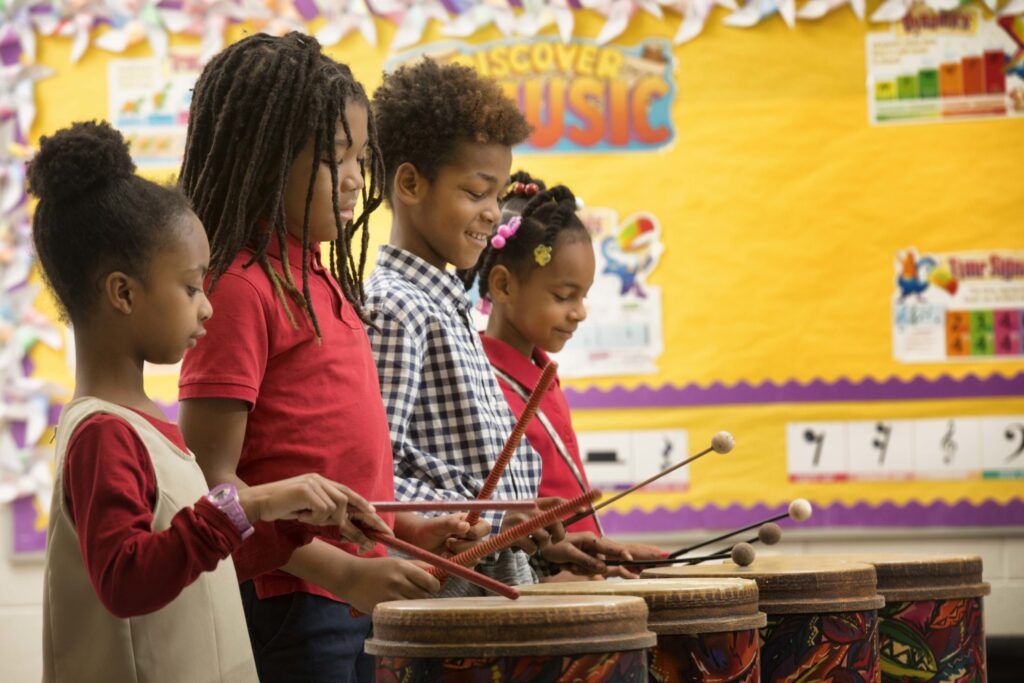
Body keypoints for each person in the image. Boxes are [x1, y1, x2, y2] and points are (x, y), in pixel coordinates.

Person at [33, 120, 385, 682]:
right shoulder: (103, 434)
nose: (208, 308)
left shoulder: (145, 428)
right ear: (122, 292)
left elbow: (200, 566)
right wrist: (252, 505)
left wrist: (294, 523)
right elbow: (126, 579)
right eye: (192, 287)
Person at [177, 34, 481, 682]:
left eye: (359, 156)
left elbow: (340, 470)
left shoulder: (326, 280)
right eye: (332, 157)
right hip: (292, 603)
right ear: (261, 159)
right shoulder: (237, 288)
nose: (354, 177)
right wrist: (342, 567)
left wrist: (400, 527)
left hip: (352, 589)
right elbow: (209, 487)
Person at [368, 59, 624, 593]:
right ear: (411, 184)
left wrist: (528, 525)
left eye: (497, 193)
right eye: (475, 192)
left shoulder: (447, 304)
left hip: (494, 584)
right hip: (447, 602)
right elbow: (376, 480)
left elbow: (454, 470)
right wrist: (486, 515)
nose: (492, 213)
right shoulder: (396, 308)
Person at [463, 175, 670, 581]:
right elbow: (499, 524)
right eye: (563, 296)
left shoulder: (542, 374)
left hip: (575, 585)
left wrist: (610, 559)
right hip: (537, 593)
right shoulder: (482, 383)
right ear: (503, 285)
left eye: (584, 296)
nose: (579, 312)